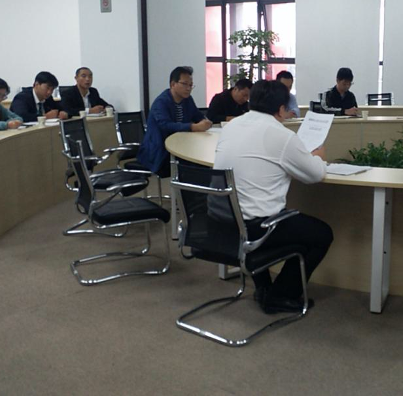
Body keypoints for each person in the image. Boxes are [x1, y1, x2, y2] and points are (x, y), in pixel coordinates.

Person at [213, 80, 333, 314]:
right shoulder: (281, 135)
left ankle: (264, 288)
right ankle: (280, 296)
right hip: (255, 228)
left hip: (223, 221)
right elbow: (316, 174)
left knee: (274, 216)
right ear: (280, 109)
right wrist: (318, 156)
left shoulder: (231, 127)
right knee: (321, 234)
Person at [137, 66, 212, 178]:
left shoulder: (187, 100)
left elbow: (197, 115)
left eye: (191, 85)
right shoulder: (161, 102)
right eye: (185, 84)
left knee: (202, 158)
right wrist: (193, 127)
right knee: (196, 163)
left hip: (182, 145)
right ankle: (190, 189)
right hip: (161, 151)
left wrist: (205, 121)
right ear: (173, 84)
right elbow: (166, 125)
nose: (188, 88)